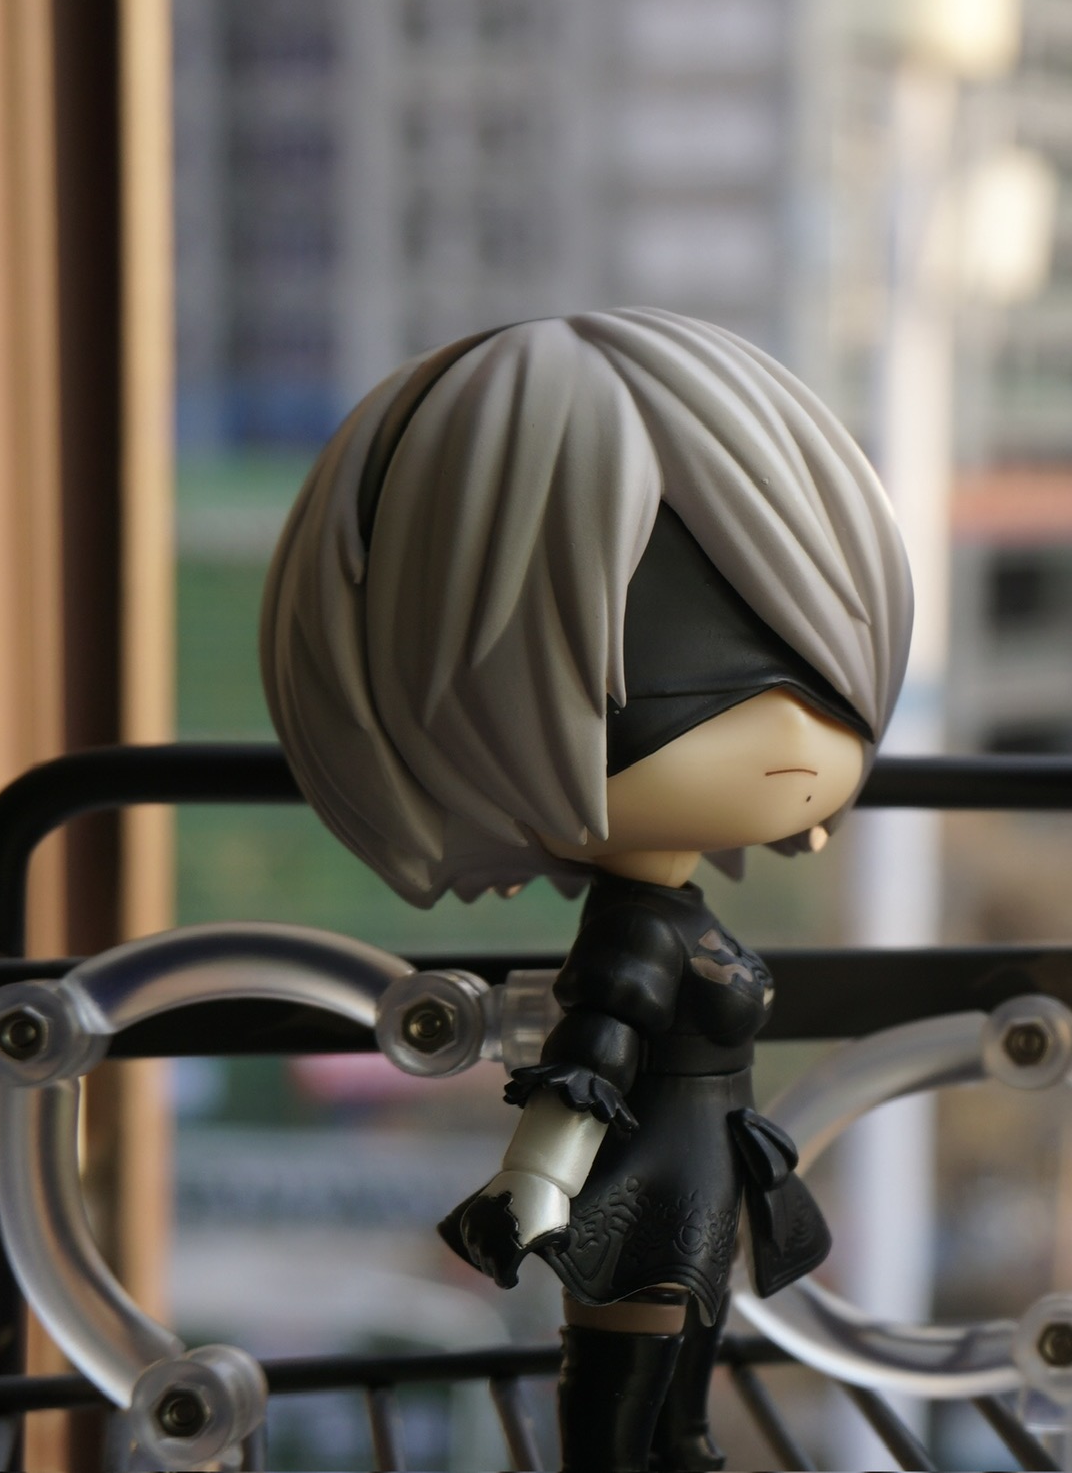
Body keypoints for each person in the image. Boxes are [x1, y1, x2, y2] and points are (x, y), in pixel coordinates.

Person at [262, 308, 912, 1471]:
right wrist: (535, 1182)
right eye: (683, 673)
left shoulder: (681, 915)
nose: (790, 729)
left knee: (685, 1400)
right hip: (646, 1179)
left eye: (818, 669)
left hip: (704, 1170)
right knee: (622, 1390)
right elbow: (593, 1052)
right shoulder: (634, 934)